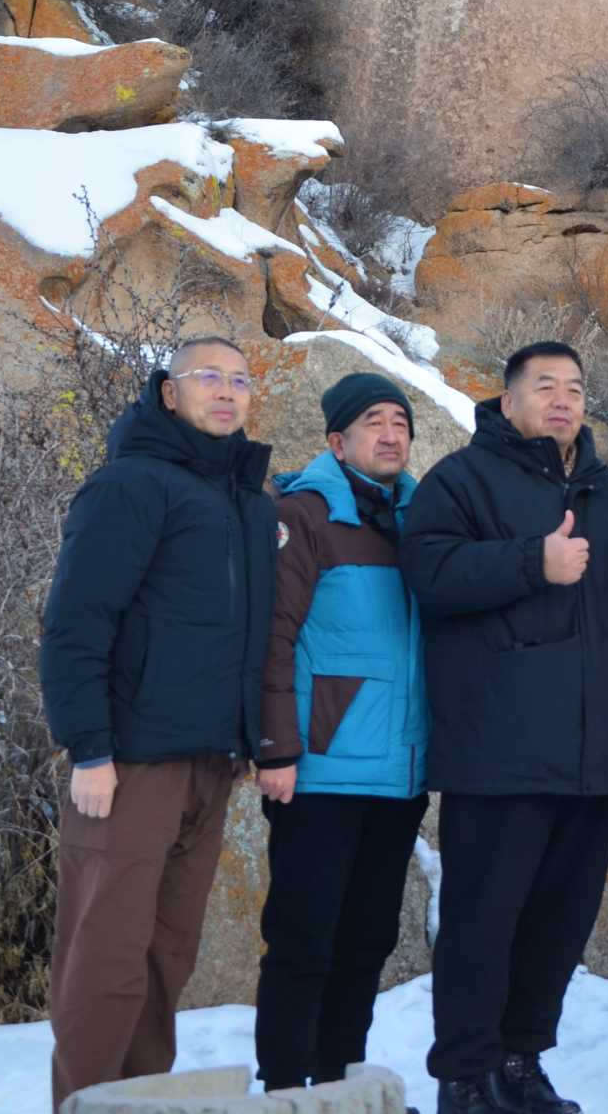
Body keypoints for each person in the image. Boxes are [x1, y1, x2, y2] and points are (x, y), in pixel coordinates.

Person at [405, 340, 608, 1114]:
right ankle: (466, 1076)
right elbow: (431, 577)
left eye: (575, 386)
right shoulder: (459, 481)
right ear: (507, 401)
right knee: (484, 920)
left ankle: (520, 1061)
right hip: (499, 750)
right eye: (545, 386)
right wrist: (529, 561)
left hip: (591, 755)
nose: (563, 399)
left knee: (558, 925)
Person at [40, 335, 277, 1110]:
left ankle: (142, 1102)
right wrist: (91, 748)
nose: (226, 391)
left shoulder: (246, 503)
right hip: (130, 762)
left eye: (240, 379)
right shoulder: (129, 485)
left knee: (164, 960)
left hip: (211, 763)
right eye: (207, 375)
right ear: (168, 392)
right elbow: (77, 622)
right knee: (104, 961)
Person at [252, 372, 431, 1096]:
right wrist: (277, 748)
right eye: (374, 422)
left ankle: (339, 1087)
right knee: (303, 940)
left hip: (398, 775)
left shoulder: (418, 519)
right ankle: (287, 1091)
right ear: (338, 440)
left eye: (401, 422)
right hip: (319, 770)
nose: (391, 434)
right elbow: (273, 635)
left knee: (366, 943)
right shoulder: (306, 513)